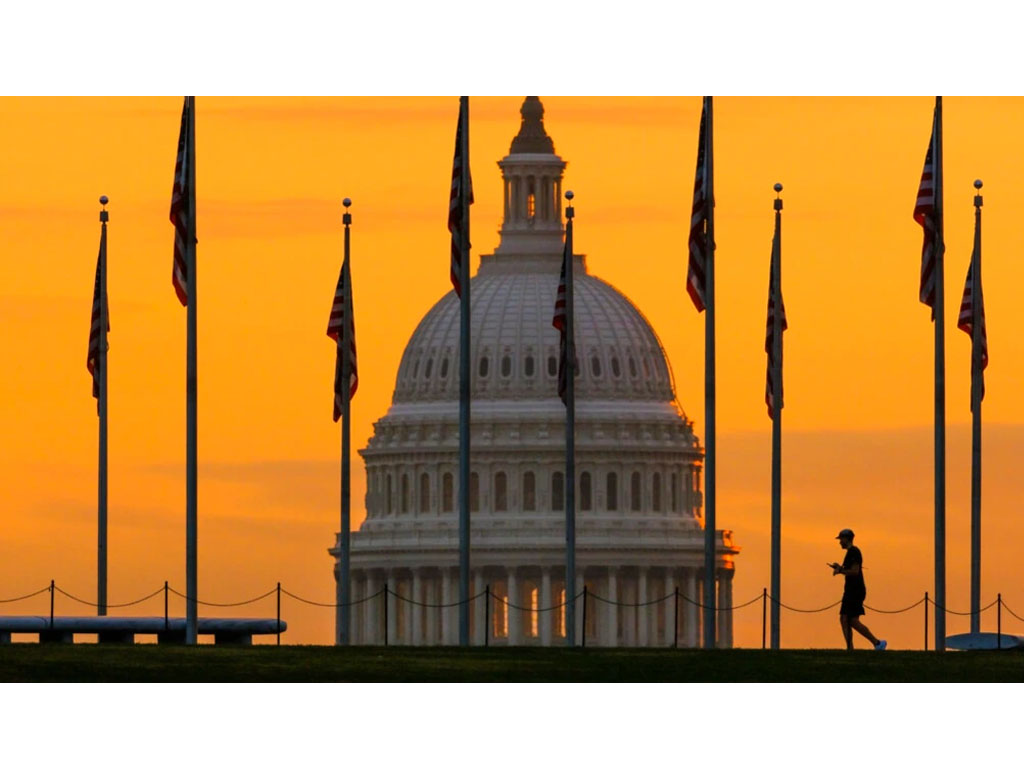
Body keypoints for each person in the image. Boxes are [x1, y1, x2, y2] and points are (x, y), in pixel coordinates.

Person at [829, 529, 886, 651]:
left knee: (849, 619)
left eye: (841, 539)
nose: (840, 542)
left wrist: (840, 571)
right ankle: (855, 647)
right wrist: (839, 568)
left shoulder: (854, 552)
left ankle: (876, 643)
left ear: (847, 539)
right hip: (851, 590)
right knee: (847, 619)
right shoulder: (851, 553)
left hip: (855, 591)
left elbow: (854, 571)